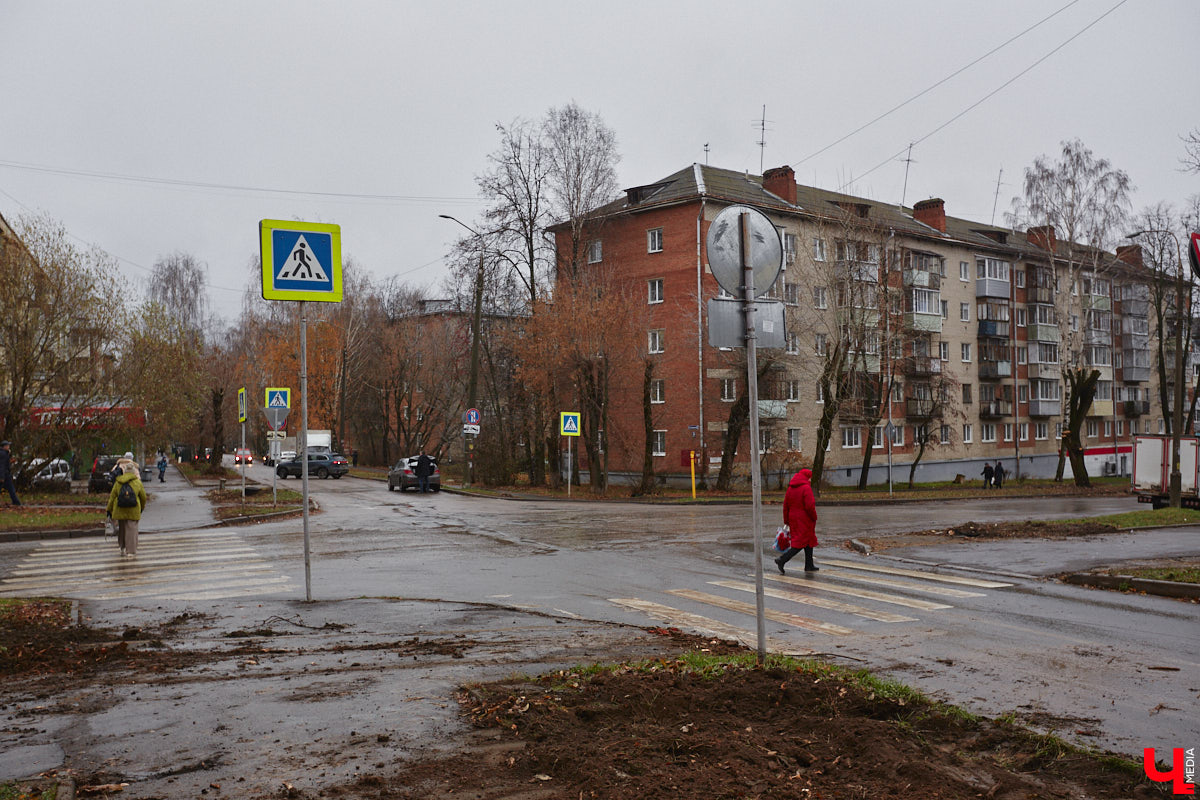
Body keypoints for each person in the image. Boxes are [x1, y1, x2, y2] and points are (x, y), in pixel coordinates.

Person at [775, 468, 819, 574]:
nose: (810, 480)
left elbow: (786, 505)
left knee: (808, 541)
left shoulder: (790, 488)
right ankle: (782, 560)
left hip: (793, 518)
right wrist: (814, 517)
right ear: (807, 477)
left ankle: (809, 565)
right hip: (804, 519)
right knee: (799, 543)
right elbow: (809, 506)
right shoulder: (806, 488)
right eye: (810, 478)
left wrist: (786, 520)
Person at [106, 459, 148, 557]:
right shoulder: (137, 483)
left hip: (120, 509)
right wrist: (141, 508)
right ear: (133, 471)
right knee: (131, 530)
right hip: (133, 510)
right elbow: (143, 498)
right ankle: (131, 551)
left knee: (122, 529)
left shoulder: (118, 482)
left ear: (124, 472)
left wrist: (109, 510)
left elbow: (112, 497)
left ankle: (122, 547)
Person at [0, 440, 20, 506]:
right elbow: (2, 466)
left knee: (11, 488)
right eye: (8, 446)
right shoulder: (3, 454)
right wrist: (2, 477)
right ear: (4, 447)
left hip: (5, 474)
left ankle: (16, 501)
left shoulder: (4, 453)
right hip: (4, 474)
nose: (9, 447)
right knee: (11, 488)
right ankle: (16, 502)